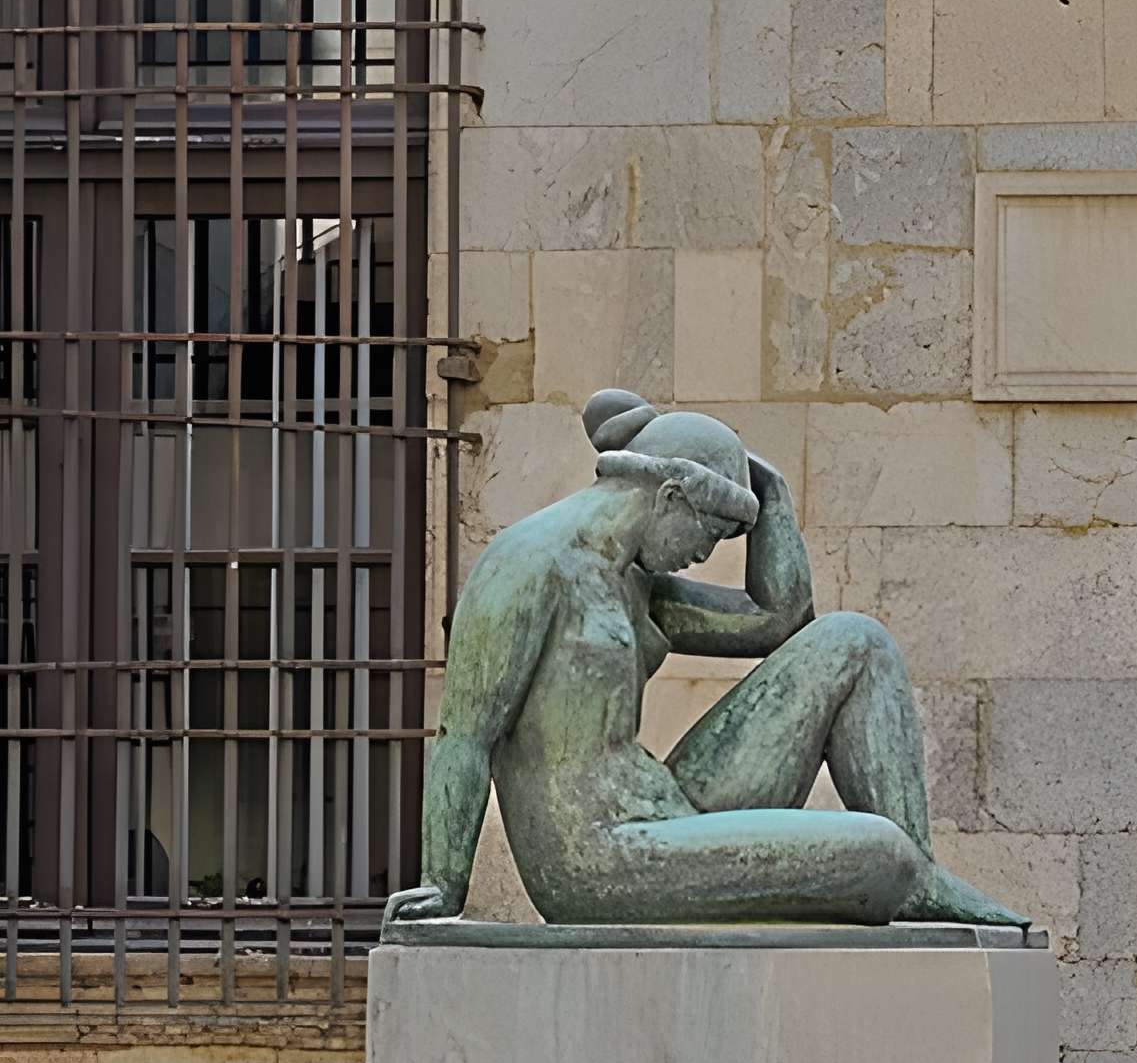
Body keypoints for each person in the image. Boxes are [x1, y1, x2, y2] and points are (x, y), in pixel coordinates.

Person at [384, 389, 1026, 930]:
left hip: (667, 816)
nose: (704, 553)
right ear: (669, 497)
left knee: (855, 642)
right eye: (712, 532)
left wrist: (769, 498)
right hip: (599, 857)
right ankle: (906, 876)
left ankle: (920, 881)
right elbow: (465, 734)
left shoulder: (634, 582)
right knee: (878, 853)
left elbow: (779, 622)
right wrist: (445, 883)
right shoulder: (527, 564)